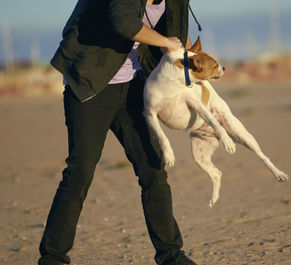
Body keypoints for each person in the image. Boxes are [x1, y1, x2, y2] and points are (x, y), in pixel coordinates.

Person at [37, 0, 198, 264]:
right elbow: (124, 22)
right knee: (79, 172)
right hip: (90, 83)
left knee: (153, 167)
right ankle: (53, 257)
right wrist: (166, 42)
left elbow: (176, 34)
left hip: (133, 84)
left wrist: (192, 60)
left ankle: (171, 255)